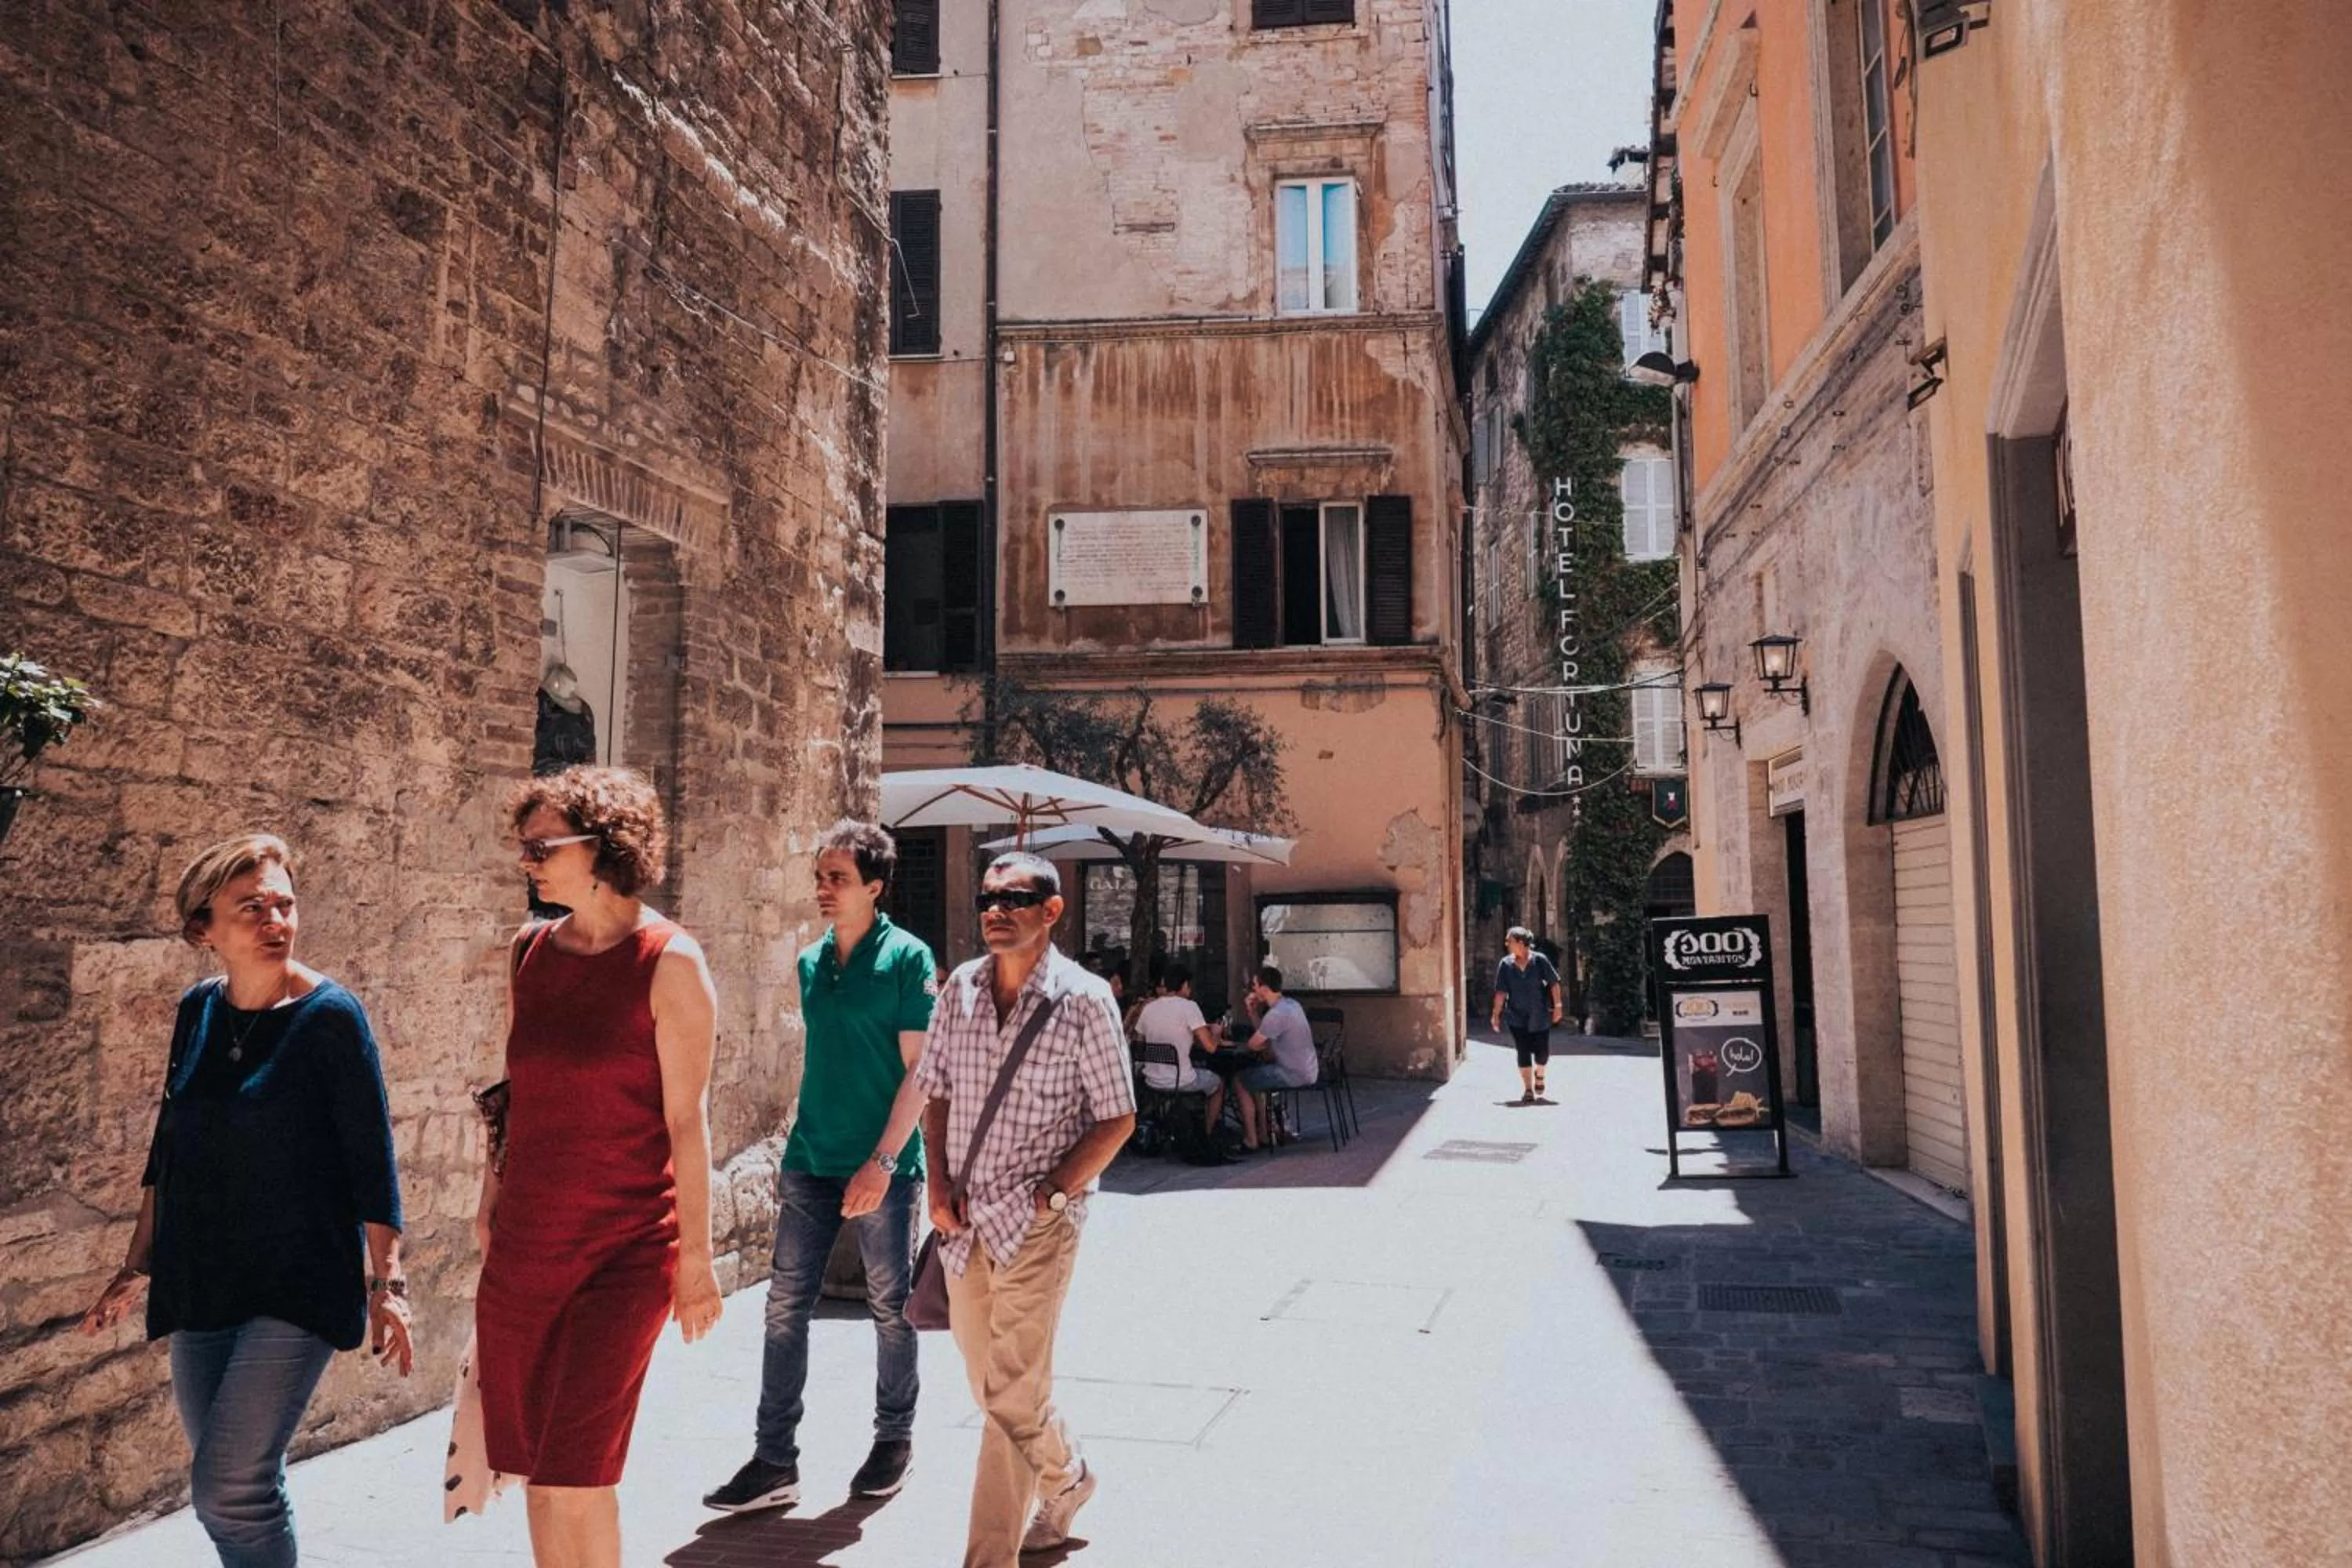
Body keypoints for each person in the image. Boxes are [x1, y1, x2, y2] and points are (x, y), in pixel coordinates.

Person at [79, 833, 412, 1568]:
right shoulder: (198, 1011)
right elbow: (167, 1152)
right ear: (205, 928)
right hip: (205, 1281)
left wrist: (388, 1285)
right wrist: (138, 1264)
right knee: (239, 1481)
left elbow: (372, 1161)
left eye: (284, 904)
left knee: (229, 1486)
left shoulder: (330, 1016)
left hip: (299, 1284)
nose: (275, 920)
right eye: (252, 906)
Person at [474, 766, 723, 1568]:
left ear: (606, 845)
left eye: (544, 845)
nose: (529, 861)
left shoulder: (669, 961)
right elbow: (514, 1092)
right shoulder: (529, 952)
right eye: (525, 846)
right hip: (525, 1250)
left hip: (624, 1249)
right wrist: (489, 1198)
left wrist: (698, 1261)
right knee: (541, 1475)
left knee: (577, 1471)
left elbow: (688, 1123)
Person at [704, 821, 937, 1514]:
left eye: (838, 878)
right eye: (820, 876)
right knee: (783, 1308)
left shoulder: (909, 959)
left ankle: (893, 1439)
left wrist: (883, 1162)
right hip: (809, 1158)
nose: (823, 889)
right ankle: (775, 1459)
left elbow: (920, 1071)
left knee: (891, 1310)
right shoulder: (810, 963)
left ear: (874, 885)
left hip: (883, 1165)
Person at [915, 853, 1137, 1566]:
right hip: (963, 1220)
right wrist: (937, 1180)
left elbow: (1116, 1118)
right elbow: (938, 1091)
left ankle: (987, 1558)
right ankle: (1067, 1476)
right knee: (994, 1385)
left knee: (1009, 1391)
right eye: (988, 897)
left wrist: (1054, 1193)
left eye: (1016, 897)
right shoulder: (961, 991)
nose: (996, 909)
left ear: (1052, 910)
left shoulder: (1084, 999)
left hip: (1038, 1222)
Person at [1132, 962, 1227, 1148]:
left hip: (1152, 1079)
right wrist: (1216, 1032)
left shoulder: (1149, 1008)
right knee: (1218, 1084)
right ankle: (1206, 1134)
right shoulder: (1189, 1007)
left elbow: (1139, 1040)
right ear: (1184, 986)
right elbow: (1210, 1048)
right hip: (1182, 1080)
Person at [1230, 965, 1319, 1152]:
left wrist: (1236, 1044)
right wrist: (1253, 1013)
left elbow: (1254, 1044)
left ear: (1264, 988)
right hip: (1307, 1069)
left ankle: (1251, 1139)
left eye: (1255, 985)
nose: (1253, 989)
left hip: (1292, 1073)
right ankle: (1264, 1132)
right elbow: (1265, 1034)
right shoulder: (1291, 1005)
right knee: (1256, 1076)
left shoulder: (1276, 1014)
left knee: (1240, 1080)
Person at [1489, 925, 1565, 1104]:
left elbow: (1554, 983)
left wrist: (1558, 1006)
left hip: (1539, 1015)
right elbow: (1500, 992)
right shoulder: (1506, 964)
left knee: (1542, 1053)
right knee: (1522, 1051)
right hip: (1516, 1015)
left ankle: (1540, 1074)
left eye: (1510, 941)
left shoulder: (1540, 961)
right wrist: (1496, 1014)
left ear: (1521, 943)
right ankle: (1528, 1089)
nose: (1507, 944)